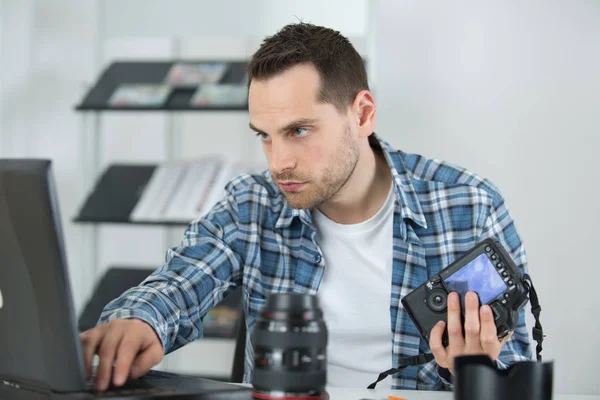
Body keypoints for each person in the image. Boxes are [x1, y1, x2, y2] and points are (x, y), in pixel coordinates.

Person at [80, 22, 532, 392]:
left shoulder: (469, 206)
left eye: (299, 131)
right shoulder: (251, 204)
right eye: (264, 135)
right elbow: (176, 285)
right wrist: (140, 320)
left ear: (362, 115)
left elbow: (517, 374)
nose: (279, 163)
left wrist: (475, 373)